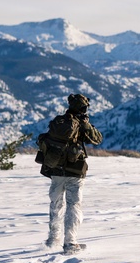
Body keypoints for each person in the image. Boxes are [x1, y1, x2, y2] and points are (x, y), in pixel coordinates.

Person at [37, 93, 104, 254]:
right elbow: (97, 139)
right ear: (84, 107)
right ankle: (70, 243)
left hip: (55, 170)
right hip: (75, 170)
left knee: (55, 204)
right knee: (73, 205)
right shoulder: (81, 124)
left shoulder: (58, 122)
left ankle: (53, 239)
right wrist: (86, 124)